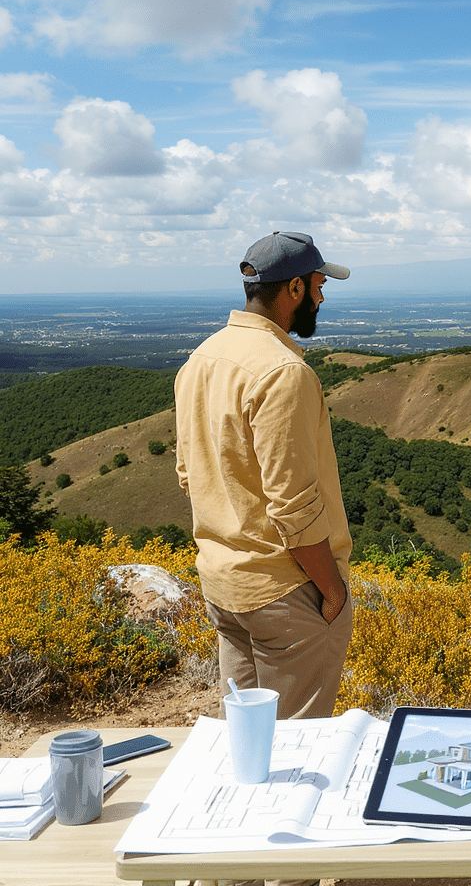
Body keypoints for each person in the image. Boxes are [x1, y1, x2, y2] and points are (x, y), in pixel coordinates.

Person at [175, 230, 354, 721]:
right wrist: (332, 589)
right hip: (286, 591)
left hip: (223, 585)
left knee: (247, 742)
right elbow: (293, 504)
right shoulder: (282, 373)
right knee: (299, 745)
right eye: (318, 285)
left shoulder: (202, 359)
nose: (321, 296)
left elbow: (189, 475)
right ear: (293, 289)